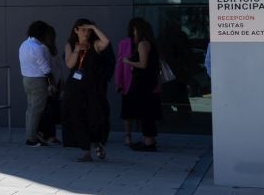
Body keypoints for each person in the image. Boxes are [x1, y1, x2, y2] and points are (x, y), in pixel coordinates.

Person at [62, 19, 114, 162]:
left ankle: (97, 142)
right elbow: (69, 64)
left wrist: (94, 27)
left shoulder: (95, 44)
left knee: (95, 116)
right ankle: (85, 150)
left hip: (93, 87)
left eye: (88, 30)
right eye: (83, 29)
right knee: (78, 116)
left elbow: (106, 41)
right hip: (76, 87)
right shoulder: (70, 45)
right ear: (76, 30)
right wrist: (77, 50)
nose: (86, 32)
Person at [122, 17, 162, 152]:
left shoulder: (142, 44)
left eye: (134, 30)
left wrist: (128, 62)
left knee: (146, 112)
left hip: (144, 83)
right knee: (147, 111)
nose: (132, 33)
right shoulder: (150, 43)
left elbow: (143, 64)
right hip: (148, 82)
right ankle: (148, 140)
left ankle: (149, 141)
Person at [19, 21, 56, 147]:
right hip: (38, 81)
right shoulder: (38, 48)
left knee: (30, 109)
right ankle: (32, 138)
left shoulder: (24, 45)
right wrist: (51, 83)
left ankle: (30, 135)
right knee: (36, 110)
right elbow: (45, 68)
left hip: (26, 79)